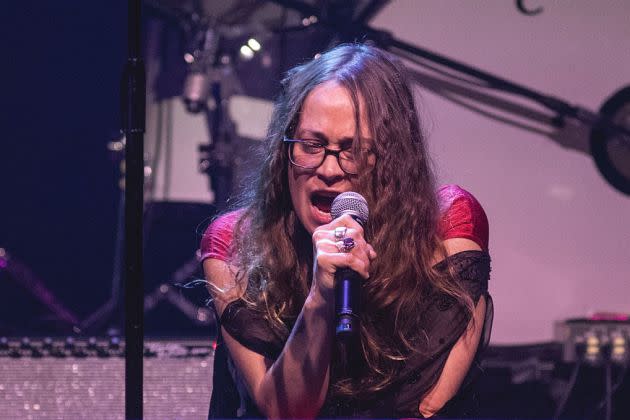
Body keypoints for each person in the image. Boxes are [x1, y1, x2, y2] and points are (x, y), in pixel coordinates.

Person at [199, 43, 491, 419]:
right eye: (311, 145)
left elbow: (429, 405)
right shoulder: (234, 244)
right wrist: (321, 297)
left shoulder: (448, 226)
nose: (329, 170)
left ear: (393, 160)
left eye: (352, 150)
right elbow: (285, 411)